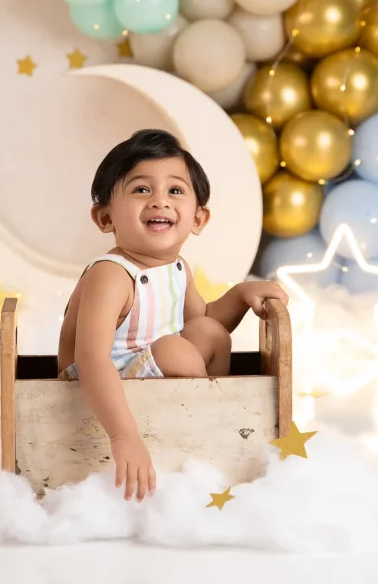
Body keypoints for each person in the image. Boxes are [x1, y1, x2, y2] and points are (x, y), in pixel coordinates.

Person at [56, 129, 288, 502]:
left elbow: (203, 320)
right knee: (176, 351)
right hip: (93, 384)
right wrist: (123, 436)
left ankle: (208, 417)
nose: (159, 202)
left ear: (198, 219)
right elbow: (91, 358)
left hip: (151, 366)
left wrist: (242, 294)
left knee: (210, 333)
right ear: (105, 217)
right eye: (141, 190)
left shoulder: (177, 268)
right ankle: (190, 432)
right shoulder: (111, 274)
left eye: (175, 191)